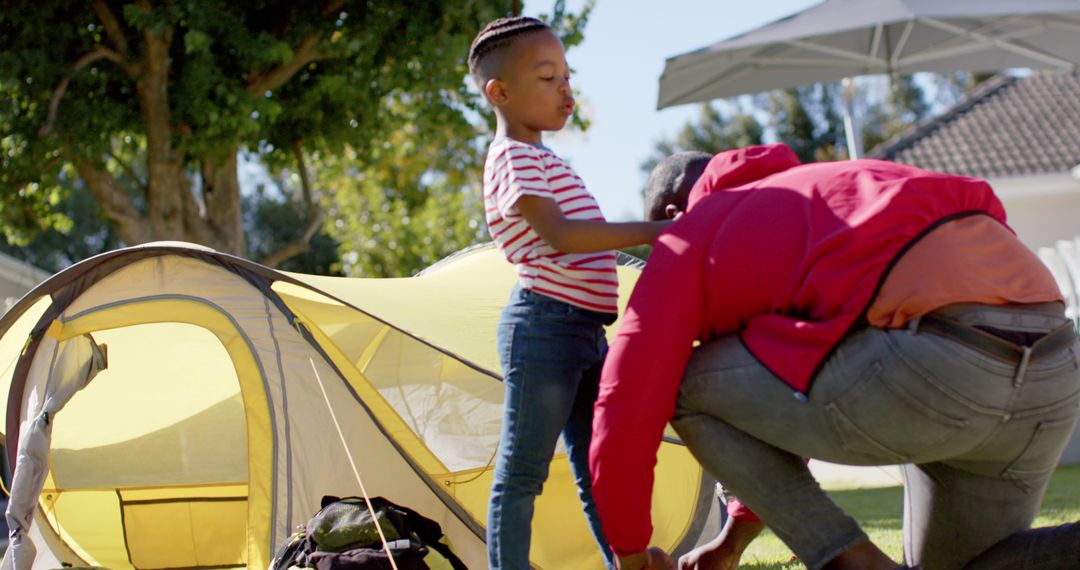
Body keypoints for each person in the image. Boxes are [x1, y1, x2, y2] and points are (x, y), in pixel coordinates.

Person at [589, 143, 1080, 570]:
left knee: (682, 384)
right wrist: (732, 541)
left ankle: (851, 562)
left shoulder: (690, 235)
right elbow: (793, 391)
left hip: (943, 363)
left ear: (673, 216)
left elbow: (626, 398)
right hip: (1056, 369)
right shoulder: (849, 181)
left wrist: (630, 553)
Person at [467, 16, 670, 570]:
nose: (565, 89)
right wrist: (651, 234)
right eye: (547, 77)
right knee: (523, 470)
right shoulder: (512, 156)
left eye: (566, 77)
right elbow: (559, 235)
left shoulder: (547, 159)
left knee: (595, 467)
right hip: (544, 329)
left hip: (583, 331)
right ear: (501, 92)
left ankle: (624, 563)